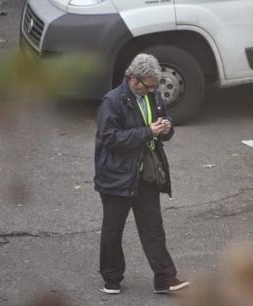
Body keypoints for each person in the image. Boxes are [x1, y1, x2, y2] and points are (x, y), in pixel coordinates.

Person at [94, 54, 189, 294]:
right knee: (113, 229)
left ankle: (165, 278)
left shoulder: (153, 95)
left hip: (145, 174)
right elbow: (109, 138)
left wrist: (166, 127)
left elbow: (161, 124)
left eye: (154, 85)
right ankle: (112, 278)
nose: (152, 90)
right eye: (148, 85)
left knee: (153, 229)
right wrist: (148, 132)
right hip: (116, 176)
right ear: (132, 79)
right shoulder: (112, 101)